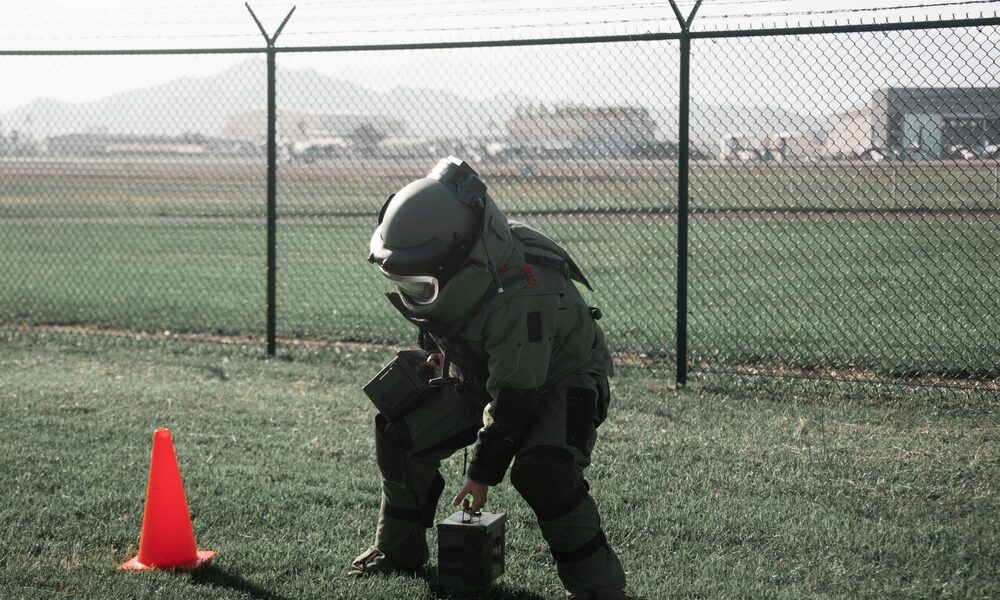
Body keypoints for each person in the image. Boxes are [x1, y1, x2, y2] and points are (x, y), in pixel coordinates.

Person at [349, 156, 631, 600]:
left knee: (545, 472)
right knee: (400, 435)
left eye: (419, 283)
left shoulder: (522, 292)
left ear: (458, 259)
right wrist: (436, 356)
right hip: (488, 372)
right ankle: (398, 551)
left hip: (563, 378)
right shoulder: (466, 268)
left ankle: (601, 590)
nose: (413, 293)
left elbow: (516, 398)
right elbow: (441, 318)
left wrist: (480, 475)